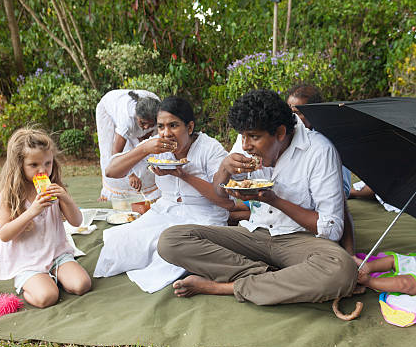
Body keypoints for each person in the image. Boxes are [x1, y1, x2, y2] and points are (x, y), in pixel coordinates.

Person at [157, 89, 357, 305]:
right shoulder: (246, 144)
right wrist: (224, 169)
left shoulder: (319, 151)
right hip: (254, 234)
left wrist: (274, 200)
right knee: (170, 241)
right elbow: (219, 193)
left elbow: (332, 228)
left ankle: (225, 287)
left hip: (299, 240)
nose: (245, 145)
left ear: (280, 133)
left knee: (341, 269)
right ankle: (272, 277)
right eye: (243, 136)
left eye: (254, 137)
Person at [93, 97, 233, 293]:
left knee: (168, 249)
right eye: (161, 127)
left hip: (204, 216)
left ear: (190, 127)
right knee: (120, 242)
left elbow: (226, 202)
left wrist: (182, 174)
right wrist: (143, 149)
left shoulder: (210, 149)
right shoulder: (155, 145)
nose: (166, 133)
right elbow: (111, 171)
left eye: (173, 126)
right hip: (164, 211)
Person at [0, 128, 91, 308]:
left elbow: (77, 222)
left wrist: (66, 199)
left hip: (57, 254)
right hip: (28, 261)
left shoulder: (54, 186)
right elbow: (4, 234)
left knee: (82, 285)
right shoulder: (10, 194)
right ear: (19, 165)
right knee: (47, 297)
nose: (42, 170)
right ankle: (33, 283)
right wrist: (33, 211)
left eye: (47, 163)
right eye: (34, 165)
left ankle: (54, 275)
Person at [286, 84, 355, 254]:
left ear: (313, 113)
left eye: (299, 112)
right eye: (290, 112)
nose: (293, 118)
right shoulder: (287, 136)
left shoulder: (325, 143)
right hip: (301, 199)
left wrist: (350, 253)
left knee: (339, 207)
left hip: (331, 196)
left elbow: (340, 197)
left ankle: (350, 252)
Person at [96, 89, 161, 201]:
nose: (146, 127)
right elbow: (115, 154)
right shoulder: (126, 120)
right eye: (143, 123)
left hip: (146, 108)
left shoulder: (160, 113)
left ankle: (151, 194)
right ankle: (111, 193)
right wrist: (131, 175)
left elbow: (149, 139)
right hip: (108, 110)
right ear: (136, 116)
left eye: (150, 125)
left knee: (147, 153)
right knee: (118, 155)